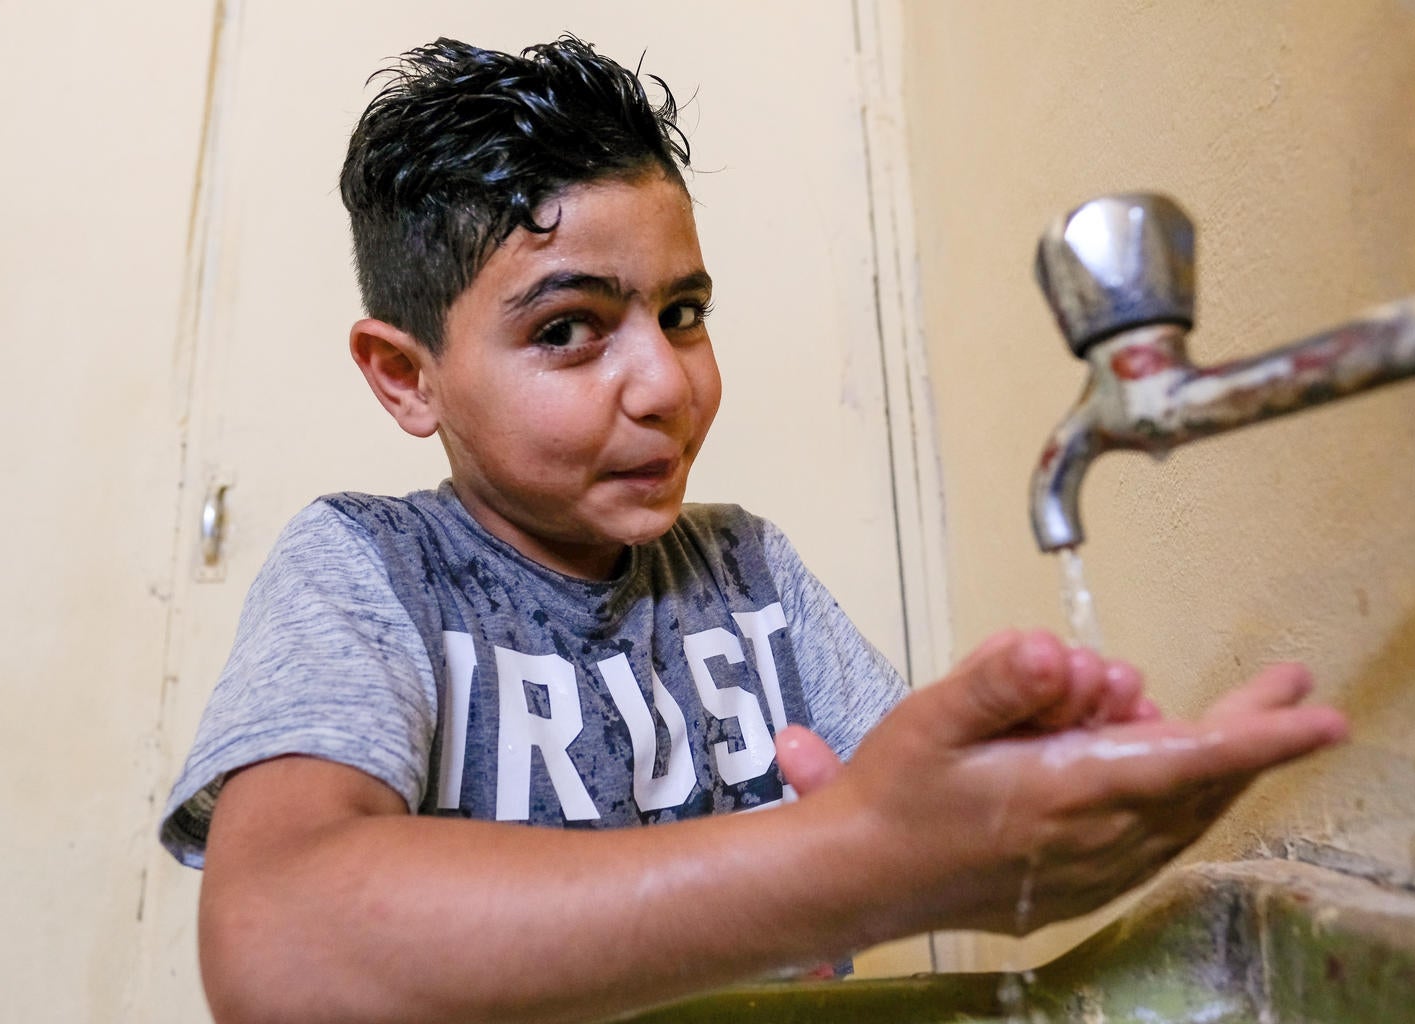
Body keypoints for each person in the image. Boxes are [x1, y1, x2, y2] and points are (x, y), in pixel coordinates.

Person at [158, 35, 1348, 1024]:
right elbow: (283, 947)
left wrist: (1027, 784)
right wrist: (853, 862)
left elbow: (903, 807)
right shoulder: (370, 571)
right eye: (569, 329)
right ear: (406, 378)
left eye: (682, 313)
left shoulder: (751, 573)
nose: (665, 386)